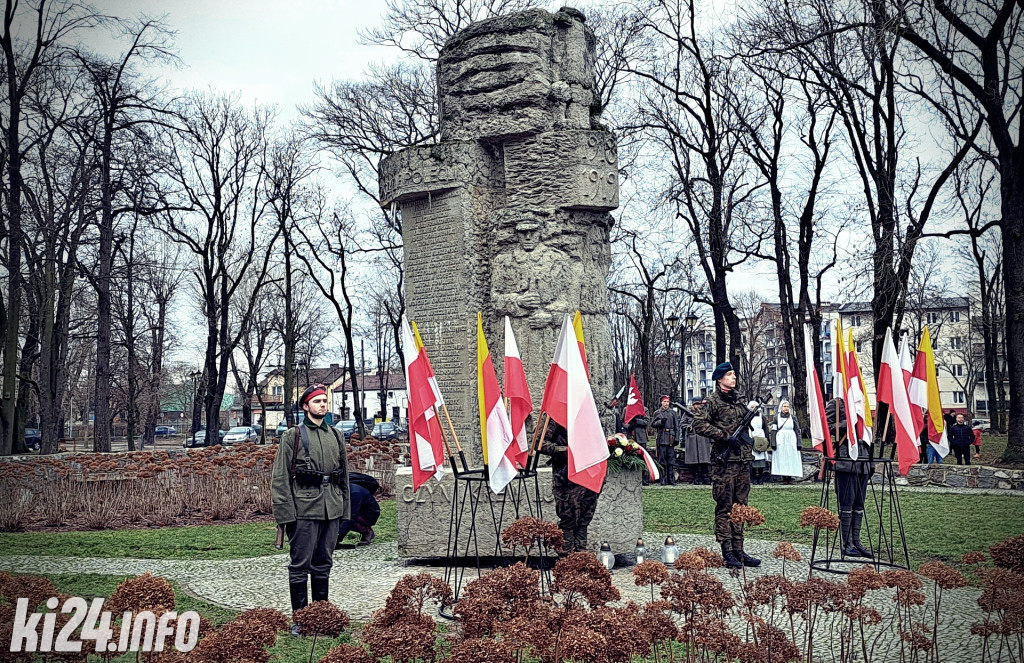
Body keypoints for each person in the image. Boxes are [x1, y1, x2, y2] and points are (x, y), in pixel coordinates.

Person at [272, 384, 351, 631]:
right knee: (300, 565)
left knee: (323, 563)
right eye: (317, 402)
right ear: (306, 406)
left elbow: (344, 475)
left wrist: (344, 510)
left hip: (332, 508)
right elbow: (280, 477)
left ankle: (321, 616)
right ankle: (301, 620)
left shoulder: (336, 435)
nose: (322, 405)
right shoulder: (293, 436)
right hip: (304, 510)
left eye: (324, 401)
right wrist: (286, 516)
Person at [692, 362, 760, 569]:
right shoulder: (712, 401)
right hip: (724, 461)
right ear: (720, 379)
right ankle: (727, 550)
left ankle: (739, 550)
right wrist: (724, 436)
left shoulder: (739, 399)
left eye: (734, 374)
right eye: (729, 374)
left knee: (741, 506)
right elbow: (698, 424)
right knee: (725, 505)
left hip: (742, 459)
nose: (734, 377)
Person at [540, 421, 599, 553]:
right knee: (568, 520)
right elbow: (540, 443)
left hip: (588, 475)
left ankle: (581, 558)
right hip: (566, 478)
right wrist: (568, 451)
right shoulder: (555, 415)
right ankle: (566, 563)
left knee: (584, 520)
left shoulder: (586, 409)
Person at [825, 398, 873, 559]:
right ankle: (846, 544)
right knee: (847, 502)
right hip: (845, 459)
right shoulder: (836, 404)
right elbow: (828, 428)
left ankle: (856, 541)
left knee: (859, 503)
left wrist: (870, 462)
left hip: (863, 458)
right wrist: (849, 421)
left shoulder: (860, 401)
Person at [337, 472, 381, 547]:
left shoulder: (354, 492)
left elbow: (351, 516)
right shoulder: (346, 489)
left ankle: (366, 531)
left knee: (345, 518)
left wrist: (337, 537)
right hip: (360, 509)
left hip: (370, 513)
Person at [651, 395, 681, 486]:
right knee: (662, 459)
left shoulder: (672, 413)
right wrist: (660, 422)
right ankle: (663, 478)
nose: (666, 404)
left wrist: (676, 438)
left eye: (667, 402)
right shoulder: (658, 412)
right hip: (662, 437)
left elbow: (677, 426)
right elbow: (652, 424)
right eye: (664, 402)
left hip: (671, 438)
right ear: (661, 402)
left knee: (671, 458)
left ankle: (670, 478)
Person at [770, 400, 803, 481]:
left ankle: (790, 475)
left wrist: (799, 443)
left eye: (787, 406)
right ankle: (783, 476)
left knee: (790, 457)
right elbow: (773, 431)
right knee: (781, 457)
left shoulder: (793, 418)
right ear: (781, 407)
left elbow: (797, 430)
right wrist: (773, 442)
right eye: (784, 406)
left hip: (791, 439)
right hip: (781, 439)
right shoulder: (776, 418)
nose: (786, 408)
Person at [682, 399, 712, 485]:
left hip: (703, 438)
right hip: (692, 438)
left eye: (699, 404)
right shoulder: (687, 413)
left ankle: (705, 477)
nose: (698, 406)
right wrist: (689, 427)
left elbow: (710, 424)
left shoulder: (705, 413)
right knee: (694, 460)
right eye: (696, 404)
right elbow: (682, 424)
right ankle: (696, 477)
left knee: (704, 459)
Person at [626, 411, 651, 485]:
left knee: (643, 459)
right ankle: (631, 479)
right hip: (631, 437)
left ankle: (644, 478)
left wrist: (637, 421)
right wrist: (629, 425)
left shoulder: (644, 409)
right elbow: (623, 422)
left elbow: (646, 422)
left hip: (641, 437)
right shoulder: (627, 409)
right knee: (630, 458)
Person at [749, 404, 769, 485]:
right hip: (752, 437)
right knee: (753, 458)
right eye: (752, 407)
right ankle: (753, 477)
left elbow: (766, 428)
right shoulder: (748, 417)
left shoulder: (762, 417)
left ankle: (760, 477)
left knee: (761, 458)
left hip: (761, 438)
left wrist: (767, 440)